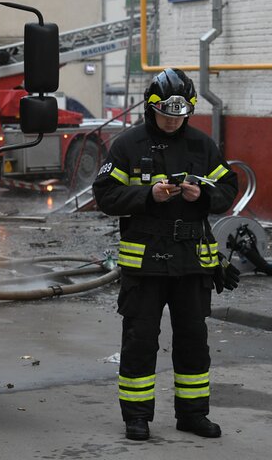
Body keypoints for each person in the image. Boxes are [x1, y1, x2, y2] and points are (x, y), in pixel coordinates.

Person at [92, 68, 239, 441]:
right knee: (140, 340)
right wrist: (146, 196)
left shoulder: (202, 146)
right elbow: (105, 195)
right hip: (145, 263)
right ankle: (137, 418)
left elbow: (227, 189)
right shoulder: (128, 145)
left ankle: (193, 414)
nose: (173, 121)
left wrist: (203, 196)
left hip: (192, 262)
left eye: (180, 115)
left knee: (193, 340)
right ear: (151, 108)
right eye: (167, 114)